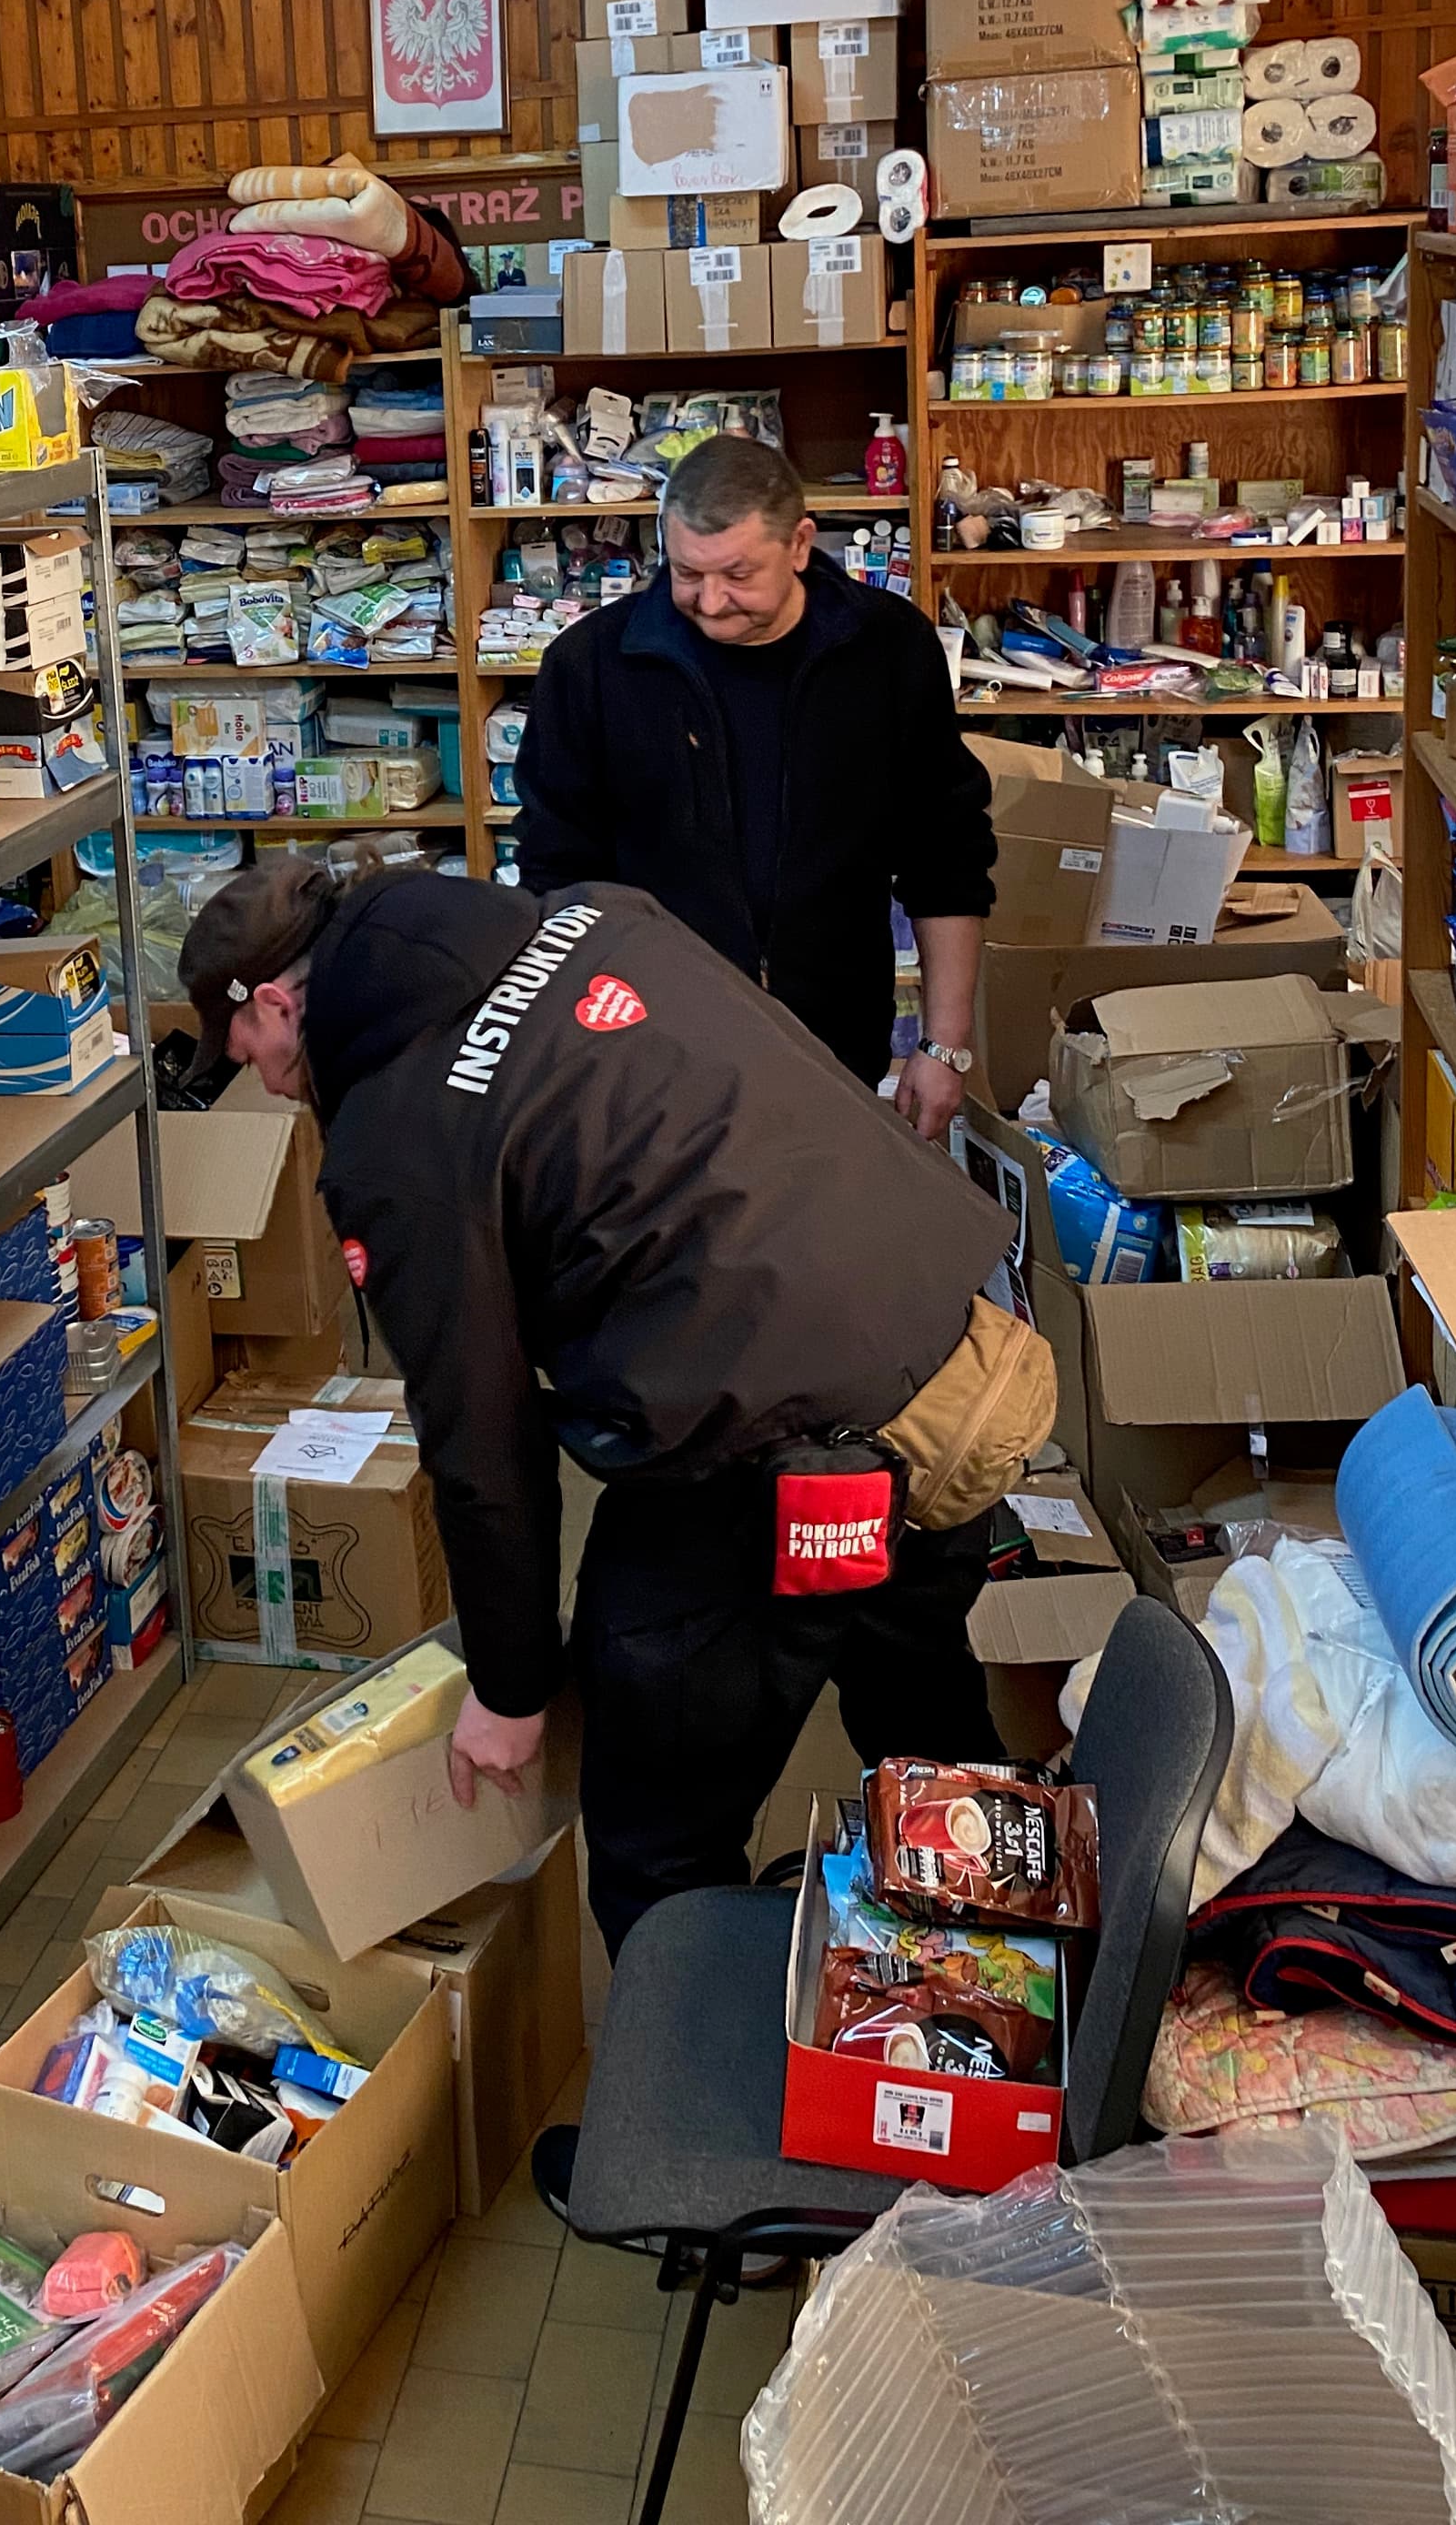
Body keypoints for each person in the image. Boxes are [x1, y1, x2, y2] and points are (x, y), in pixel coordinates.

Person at [176, 856, 1035, 1979]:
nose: (254, 1076)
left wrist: (509, 1692)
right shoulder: (603, 915)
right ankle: (1006, 2046)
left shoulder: (396, 1142)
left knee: (656, 1842)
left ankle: (692, 2138)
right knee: (934, 1757)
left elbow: (482, 1443)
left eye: (239, 1046)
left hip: (756, 1449)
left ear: (277, 1003)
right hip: (942, 1364)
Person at [511, 433, 994, 1140]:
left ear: (800, 545)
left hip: (835, 1039)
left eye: (738, 574)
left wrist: (943, 1045)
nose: (710, 602)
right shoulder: (591, 666)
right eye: (686, 574)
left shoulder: (886, 649)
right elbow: (557, 877)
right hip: (645, 1052)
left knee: (821, 1235)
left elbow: (945, 854)